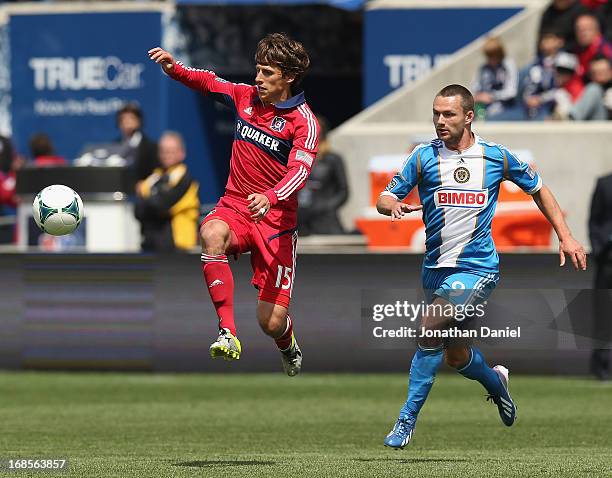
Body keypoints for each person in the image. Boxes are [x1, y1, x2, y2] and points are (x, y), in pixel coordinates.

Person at [377, 84, 587, 449]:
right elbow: (386, 196)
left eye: (449, 114)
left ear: (469, 116)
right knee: (455, 354)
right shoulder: (423, 156)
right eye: (436, 114)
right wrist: (391, 204)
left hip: (478, 269)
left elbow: (539, 189)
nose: (440, 121)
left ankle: (405, 421)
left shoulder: (496, 157)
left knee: (429, 328)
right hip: (436, 269)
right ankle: (497, 383)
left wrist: (565, 235)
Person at [148, 33, 319, 376]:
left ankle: (287, 343)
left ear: (287, 77)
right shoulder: (244, 97)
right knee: (211, 231)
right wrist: (174, 69)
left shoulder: (304, 122)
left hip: (276, 222)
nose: (258, 78)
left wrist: (270, 197)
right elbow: (209, 82)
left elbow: (300, 172)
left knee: (270, 321)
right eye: (257, 70)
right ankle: (227, 333)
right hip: (236, 206)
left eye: (267, 73)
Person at [135, 131, 200, 252]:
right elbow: (138, 210)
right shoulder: (154, 177)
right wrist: (151, 200)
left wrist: (148, 197)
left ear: (182, 153)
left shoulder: (185, 178)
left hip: (178, 246)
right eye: (163, 151)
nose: (167, 155)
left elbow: (162, 204)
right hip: (151, 242)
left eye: (171, 151)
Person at [298, 115, 348, 236]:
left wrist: (326, 207)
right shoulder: (298, 157)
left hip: (325, 221)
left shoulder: (332, 159)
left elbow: (343, 192)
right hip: (300, 219)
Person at [588, 172, 612, 380]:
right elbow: (594, 221)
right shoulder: (604, 184)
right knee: (603, 313)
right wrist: (600, 250)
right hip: (608, 260)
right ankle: (601, 366)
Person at [472, 37, 518, 120]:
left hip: (505, 106)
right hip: (483, 107)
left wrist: (491, 96)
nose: (491, 59)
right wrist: (478, 96)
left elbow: (511, 92)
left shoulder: (508, 65)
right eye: (488, 56)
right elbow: (475, 87)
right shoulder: (483, 68)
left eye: (493, 55)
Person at [116, 103, 159, 182]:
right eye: (123, 119)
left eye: (131, 118)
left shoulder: (151, 147)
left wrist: (145, 185)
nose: (127, 122)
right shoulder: (115, 145)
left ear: (139, 121)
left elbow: (156, 174)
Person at [569, 55, 612, 120]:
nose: (600, 78)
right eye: (596, 73)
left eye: (603, 72)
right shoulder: (592, 89)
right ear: (590, 75)